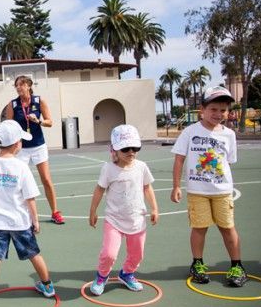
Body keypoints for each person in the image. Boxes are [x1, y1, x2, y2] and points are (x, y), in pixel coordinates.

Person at [0, 120, 55, 307]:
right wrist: (36, 219)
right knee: (34, 253)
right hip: (20, 221)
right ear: (17, 144)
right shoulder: (21, 167)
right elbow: (30, 197)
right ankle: (47, 285)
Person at [171, 85, 247, 287]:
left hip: (222, 192)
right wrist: (176, 186)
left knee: (227, 227)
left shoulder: (229, 135)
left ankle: (237, 266)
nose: (218, 114)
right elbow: (179, 159)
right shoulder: (190, 132)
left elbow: (227, 162)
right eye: (213, 109)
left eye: (223, 110)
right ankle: (197, 264)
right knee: (199, 228)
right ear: (202, 110)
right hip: (198, 192)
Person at [88, 125, 159, 295]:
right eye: (126, 148)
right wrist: (93, 211)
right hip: (114, 220)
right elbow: (99, 190)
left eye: (135, 148)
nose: (131, 152)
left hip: (137, 220)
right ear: (114, 150)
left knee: (137, 255)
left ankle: (127, 274)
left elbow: (147, 188)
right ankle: (102, 276)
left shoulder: (141, 167)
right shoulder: (109, 168)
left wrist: (154, 208)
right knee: (109, 254)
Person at [6, 75, 64, 224]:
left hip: (38, 146)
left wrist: (38, 121)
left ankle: (55, 212)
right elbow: (8, 127)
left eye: (21, 84)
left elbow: (50, 122)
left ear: (29, 86)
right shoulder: (12, 105)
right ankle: (20, 214)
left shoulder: (39, 101)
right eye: (16, 85)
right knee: (19, 182)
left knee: (46, 179)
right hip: (21, 149)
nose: (18, 87)